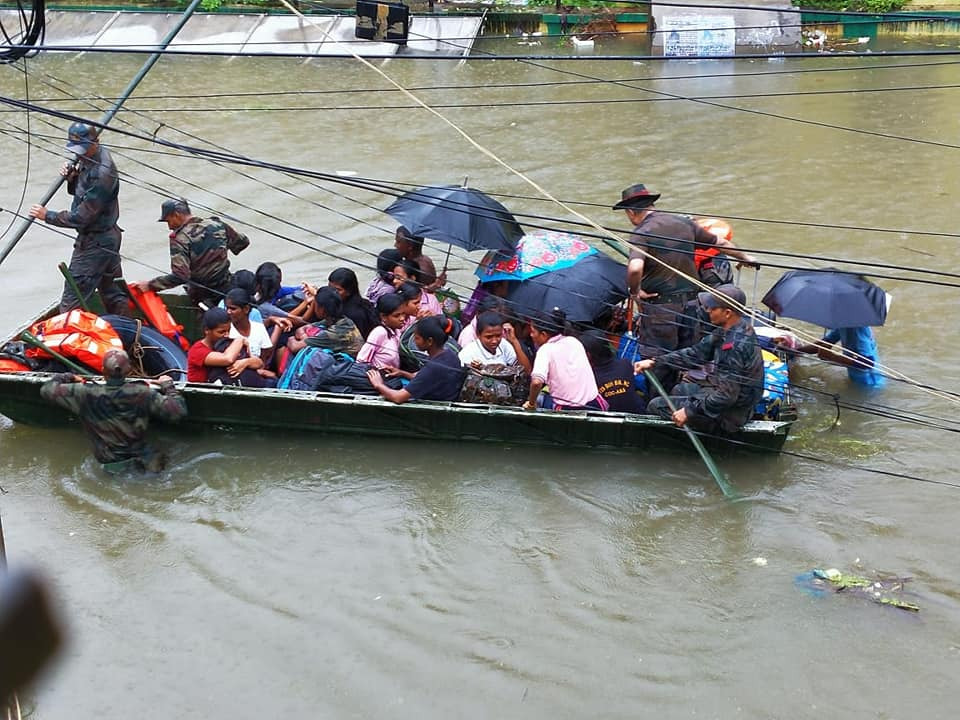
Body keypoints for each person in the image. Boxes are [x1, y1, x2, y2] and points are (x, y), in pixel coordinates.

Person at [615, 183, 758, 385]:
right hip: (692, 308)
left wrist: (635, 291)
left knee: (658, 362)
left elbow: (635, 268)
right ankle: (686, 399)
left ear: (630, 212)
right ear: (651, 204)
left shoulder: (642, 232)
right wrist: (745, 257)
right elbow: (721, 244)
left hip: (661, 312)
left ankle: (660, 406)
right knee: (687, 357)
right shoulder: (684, 223)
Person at [634, 284, 763, 434]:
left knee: (656, 406)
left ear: (727, 313)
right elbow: (695, 354)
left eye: (713, 308)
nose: (707, 311)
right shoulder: (733, 328)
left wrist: (689, 411)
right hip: (723, 396)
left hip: (731, 414)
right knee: (678, 389)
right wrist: (656, 361)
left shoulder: (733, 346)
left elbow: (727, 396)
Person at [29, 122, 128, 315]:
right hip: (108, 236)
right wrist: (73, 177)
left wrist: (47, 215)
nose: (79, 154)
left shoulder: (103, 173)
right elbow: (83, 191)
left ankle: (68, 339)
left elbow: (81, 218)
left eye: (82, 149)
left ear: (95, 143)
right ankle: (126, 336)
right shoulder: (90, 157)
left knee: (72, 297)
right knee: (112, 292)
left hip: (95, 241)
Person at [39, 349, 187, 473]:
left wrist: (68, 376)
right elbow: (177, 412)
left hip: (112, 466)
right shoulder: (142, 393)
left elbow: (47, 390)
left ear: (103, 370)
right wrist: (168, 386)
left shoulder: (84, 394)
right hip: (147, 461)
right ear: (128, 371)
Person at [134, 198, 250, 309]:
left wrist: (149, 285)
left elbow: (180, 276)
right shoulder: (216, 225)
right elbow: (243, 242)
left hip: (203, 297)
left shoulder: (180, 238)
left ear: (177, 215)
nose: (169, 227)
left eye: (168, 221)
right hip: (227, 288)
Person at [366, 315, 465, 403]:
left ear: (430, 341)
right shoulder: (450, 355)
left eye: (417, 338)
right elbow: (426, 378)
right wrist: (401, 373)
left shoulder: (433, 367)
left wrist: (378, 384)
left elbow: (398, 397)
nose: (414, 340)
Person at [523, 309, 607, 411]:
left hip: (569, 409)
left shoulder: (546, 350)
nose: (531, 335)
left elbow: (536, 382)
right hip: (594, 404)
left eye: (533, 331)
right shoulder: (574, 341)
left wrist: (531, 404)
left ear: (544, 334)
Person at [786, 326, 885, 387]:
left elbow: (868, 362)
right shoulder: (844, 324)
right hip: (857, 378)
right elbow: (824, 344)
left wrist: (832, 357)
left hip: (868, 383)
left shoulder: (856, 328)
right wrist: (795, 351)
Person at [286, 286, 363, 360]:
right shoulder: (342, 320)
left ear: (321, 309)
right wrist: (304, 337)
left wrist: (292, 338)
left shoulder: (332, 333)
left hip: (348, 366)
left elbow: (294, 347)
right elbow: (301, 329)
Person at [580, 330, 644, 414]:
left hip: (611, 421)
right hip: (638, 414)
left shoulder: (590, 376)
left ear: (588, 355)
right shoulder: (625, 364)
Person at [458, 311, 531, 374]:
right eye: (488, 337)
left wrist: (514, 341)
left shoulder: (504, 345)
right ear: (478, 334)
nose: (494, 341)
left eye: (498, 335)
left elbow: (526, 371)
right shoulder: (468, 353)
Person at [187, 307, 247, 383]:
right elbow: (228, 359)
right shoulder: (197, 350)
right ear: (207, 330)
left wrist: (246, 362)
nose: (226, 335)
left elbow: (258, 363)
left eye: (228, 330)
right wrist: (240, 340)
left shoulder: (228, 343)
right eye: (221, 332)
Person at [357, 293, 407, 369]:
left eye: (404, 314)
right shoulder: (379, 333)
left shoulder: (397, 330)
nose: (402, 318)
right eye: (397, 315)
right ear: (383, 317)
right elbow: (361, 360)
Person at [328, 268, 378, 338]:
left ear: (349, 291)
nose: (331, 292)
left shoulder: (352, 315)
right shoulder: (363, 302)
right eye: (329, 287)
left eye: (338, 290)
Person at [394, 226, 445, 290]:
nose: (395, 245)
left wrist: (435, 286)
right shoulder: (426, 259)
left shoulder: (421, 269)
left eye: (398, 242)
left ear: (410, 246)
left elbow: (419, 294)